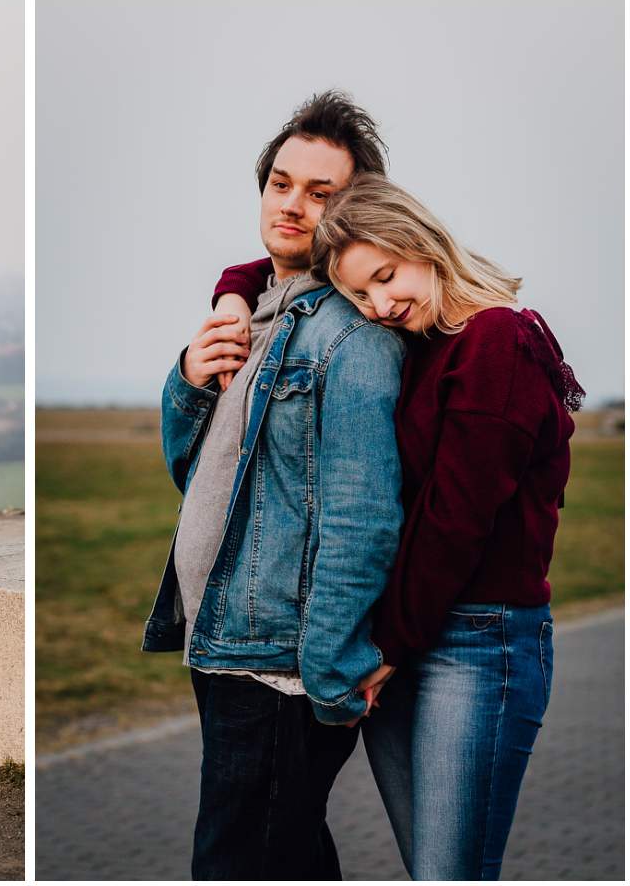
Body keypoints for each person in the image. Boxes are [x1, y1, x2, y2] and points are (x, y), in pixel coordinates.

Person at [142, 90, 403, 879]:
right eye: (282, 183)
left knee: (237, 858)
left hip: (281, 663)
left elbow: (363, 519)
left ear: (354, 211)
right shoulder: (252, 309)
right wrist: (187, 377)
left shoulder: (354, 337)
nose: (293, 204)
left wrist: (325, 672)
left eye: (321, 194)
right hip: (223, 643)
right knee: (282, 851)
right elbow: (195, 467)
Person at [306, 173, 575, 880]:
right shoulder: (429, 342)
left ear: (420, 241)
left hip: (481, 644)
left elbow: (457, 517)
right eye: (361, 295)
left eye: (387, 276)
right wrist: (234, 287)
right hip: (411, 638)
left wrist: (389, 644)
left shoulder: (497, 340)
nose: (380, 304)